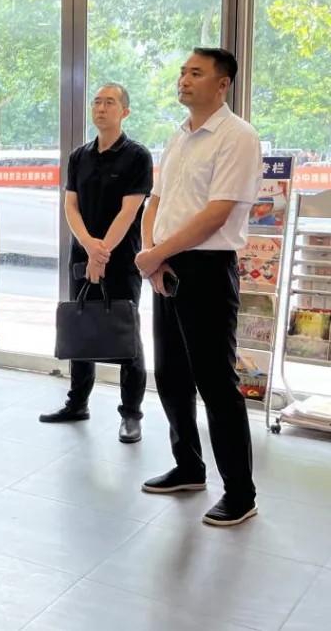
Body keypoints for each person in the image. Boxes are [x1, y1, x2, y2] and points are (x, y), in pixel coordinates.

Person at [136, 47, 262, 527]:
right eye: (182, 72)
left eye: (196, 73)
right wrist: (151, 252)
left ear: (222, 84)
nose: (184, 80)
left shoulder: (238, 136)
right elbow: (156, 200)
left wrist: (157, 253)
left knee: (215, 382)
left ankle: (241, 493)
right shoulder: (180, 135)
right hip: (165, 264)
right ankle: (189, 467)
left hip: (207, 268)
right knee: (170, 374)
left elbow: (217, 213)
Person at [40, 84, 153, 443]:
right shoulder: (79, 156)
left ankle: (131, 415)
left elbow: (129, 211)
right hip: (83, 255)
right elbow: (70, 206)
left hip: (121, 259)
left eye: (110, 103)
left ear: (125, 112)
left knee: (126, 333)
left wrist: (101, 253)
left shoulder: (137, 156)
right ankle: (77, 403)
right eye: (97, 102)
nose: (101, 108)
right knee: (81, 327)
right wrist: (90, 248)